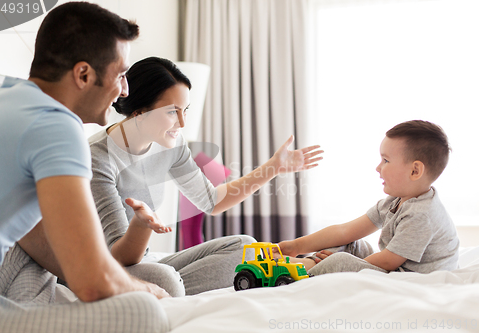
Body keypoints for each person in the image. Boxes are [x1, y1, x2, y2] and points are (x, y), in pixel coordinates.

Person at [0, 3, 170, 333]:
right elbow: (92, 282)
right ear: (84, 74)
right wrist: (150, 291)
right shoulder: (56, 126)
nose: (125, 90)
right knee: (143, 311)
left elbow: (38, 239)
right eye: (121, 75)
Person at [88, 56, 325, 296]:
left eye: (185, 111)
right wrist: (141, 226)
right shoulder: (97, 159)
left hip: (143, 265)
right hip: (102, 269)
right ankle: (167, 288)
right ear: (139, 113)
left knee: (244, 245)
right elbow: (119, 257)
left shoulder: (171, 145)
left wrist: (274, 167)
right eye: (172, 112)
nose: (181, 122)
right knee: (166, 279)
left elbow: (212, 201)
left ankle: (167, 289)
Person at [277, 120, 459, 276]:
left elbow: (388, 261)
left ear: (415, 170)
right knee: (351, 245)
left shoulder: (422, 214)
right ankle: (306, 263)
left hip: (408, 277)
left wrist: (347, 263)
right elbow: (345, 231)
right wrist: (296, 245)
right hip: (393, 267)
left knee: (341, 260)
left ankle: (299, 270)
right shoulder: (395, 201)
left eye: (386, 161)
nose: (378, 167)